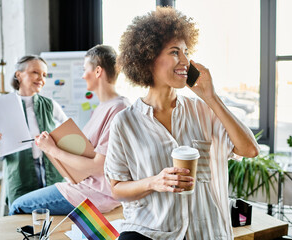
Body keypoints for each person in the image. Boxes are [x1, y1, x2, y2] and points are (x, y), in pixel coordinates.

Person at [104, 7, 259, 240]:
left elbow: (249, 150)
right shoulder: (124, 122)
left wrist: (211, 97)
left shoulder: (205, 110)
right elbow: (117, 189)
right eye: (175, 52)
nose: (185, 60)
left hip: (206, 233)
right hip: (150, 232)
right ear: (148, 58)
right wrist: (154, 182)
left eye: (186, 51)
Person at [9, 45, 130, 215]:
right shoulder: (102, 108)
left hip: (93, 194)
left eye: (84, 69)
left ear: (97, 72)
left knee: (17, 207)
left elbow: (98, 167)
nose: (82, 75)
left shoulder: (118, 108)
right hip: (82, 186)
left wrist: (51, 149)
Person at [0, 55, 68, 207]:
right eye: (35, 72)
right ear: (19, 75)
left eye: (44, 75)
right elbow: (1, 155)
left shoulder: (50, 105)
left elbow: (69, 133)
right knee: (22, 219)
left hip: (51, 172)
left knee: (53, 217)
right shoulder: (3, 107)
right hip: (20, 175)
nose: (41, 79)